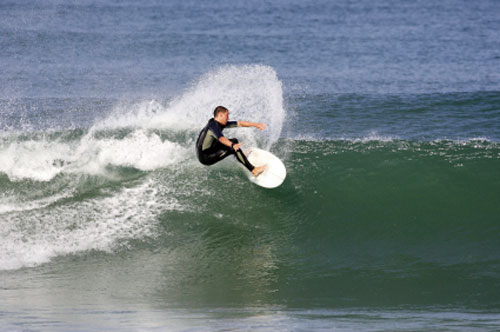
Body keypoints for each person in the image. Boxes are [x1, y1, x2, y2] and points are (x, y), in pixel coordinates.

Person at [196, 106, 267, 176]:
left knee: (234, 140)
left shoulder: (217, 122)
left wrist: (255, 124)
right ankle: (253, 170)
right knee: (233, 147)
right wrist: (232, 145)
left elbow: (239, 123)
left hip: (210, 148)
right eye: (227, 115)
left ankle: (239, 156)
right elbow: (221, 139)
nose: (228, 118)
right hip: (206, 157)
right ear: (220, 114)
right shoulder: (213, 126)